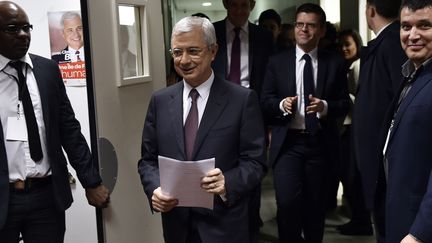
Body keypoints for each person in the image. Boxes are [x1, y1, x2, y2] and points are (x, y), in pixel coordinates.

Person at [137, 16, 266, 243]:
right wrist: (155, 188)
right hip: (177, 225)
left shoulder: (242, 100)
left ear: (213, 51)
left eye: (193, 51)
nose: (184, 60)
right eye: (177, 52)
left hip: (224, 225)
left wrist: (228, 182)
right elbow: (147, 160)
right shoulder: (160, 100)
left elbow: (255, 162)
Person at [0, 2, 110, 242]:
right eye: (12, 28)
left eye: (26, 28)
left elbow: (69, 130)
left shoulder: (47, 70)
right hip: (4, 197)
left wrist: (91, 181)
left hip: (46, 196)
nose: (23, 35)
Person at [261, 3, 349, 243]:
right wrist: (281, 105)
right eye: (300, 24)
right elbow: (265, 100)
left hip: (320, 144)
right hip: (288, 144)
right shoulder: (277, 62)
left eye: (310, 26)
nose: (304, 30)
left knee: (315, 209)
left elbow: (344, 103)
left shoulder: (335, 63)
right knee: (287, 204)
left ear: (321, 31)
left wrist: (325, 107)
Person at [211, 1, 273, 240]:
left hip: (252, 115)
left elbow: (268, 82)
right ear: (226, 3)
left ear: (252, 5)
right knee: (220, 172)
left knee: (252, 171)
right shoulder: (211, 32)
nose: (239, 10)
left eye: (244, 5)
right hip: (217, 114)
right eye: (234, 4)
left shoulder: (263, 38)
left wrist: (268, 124)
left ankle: (250, 229)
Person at [351, 0, 406, 242]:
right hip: (379, 159)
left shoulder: (392, 43)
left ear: (370, 10)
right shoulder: (385, 42)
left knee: (388, 228)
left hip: (386, 161)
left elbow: (399, 101)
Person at [380, 1, 432, 242]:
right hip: (401, 214)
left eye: (424, 26)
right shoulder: (412, 74)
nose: (413, 35)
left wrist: (420, 232)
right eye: (406, 26)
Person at [336, 29, 373, 236]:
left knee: (352, 178)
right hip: (347, 128)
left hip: (353, 129)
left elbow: (361, 101)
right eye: (340, 44)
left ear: (357, 45)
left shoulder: (358, 67)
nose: (344, 48)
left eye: (347, 44)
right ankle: (358, 219)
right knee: (348, 177)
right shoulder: (348, 66)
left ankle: (362, 221)